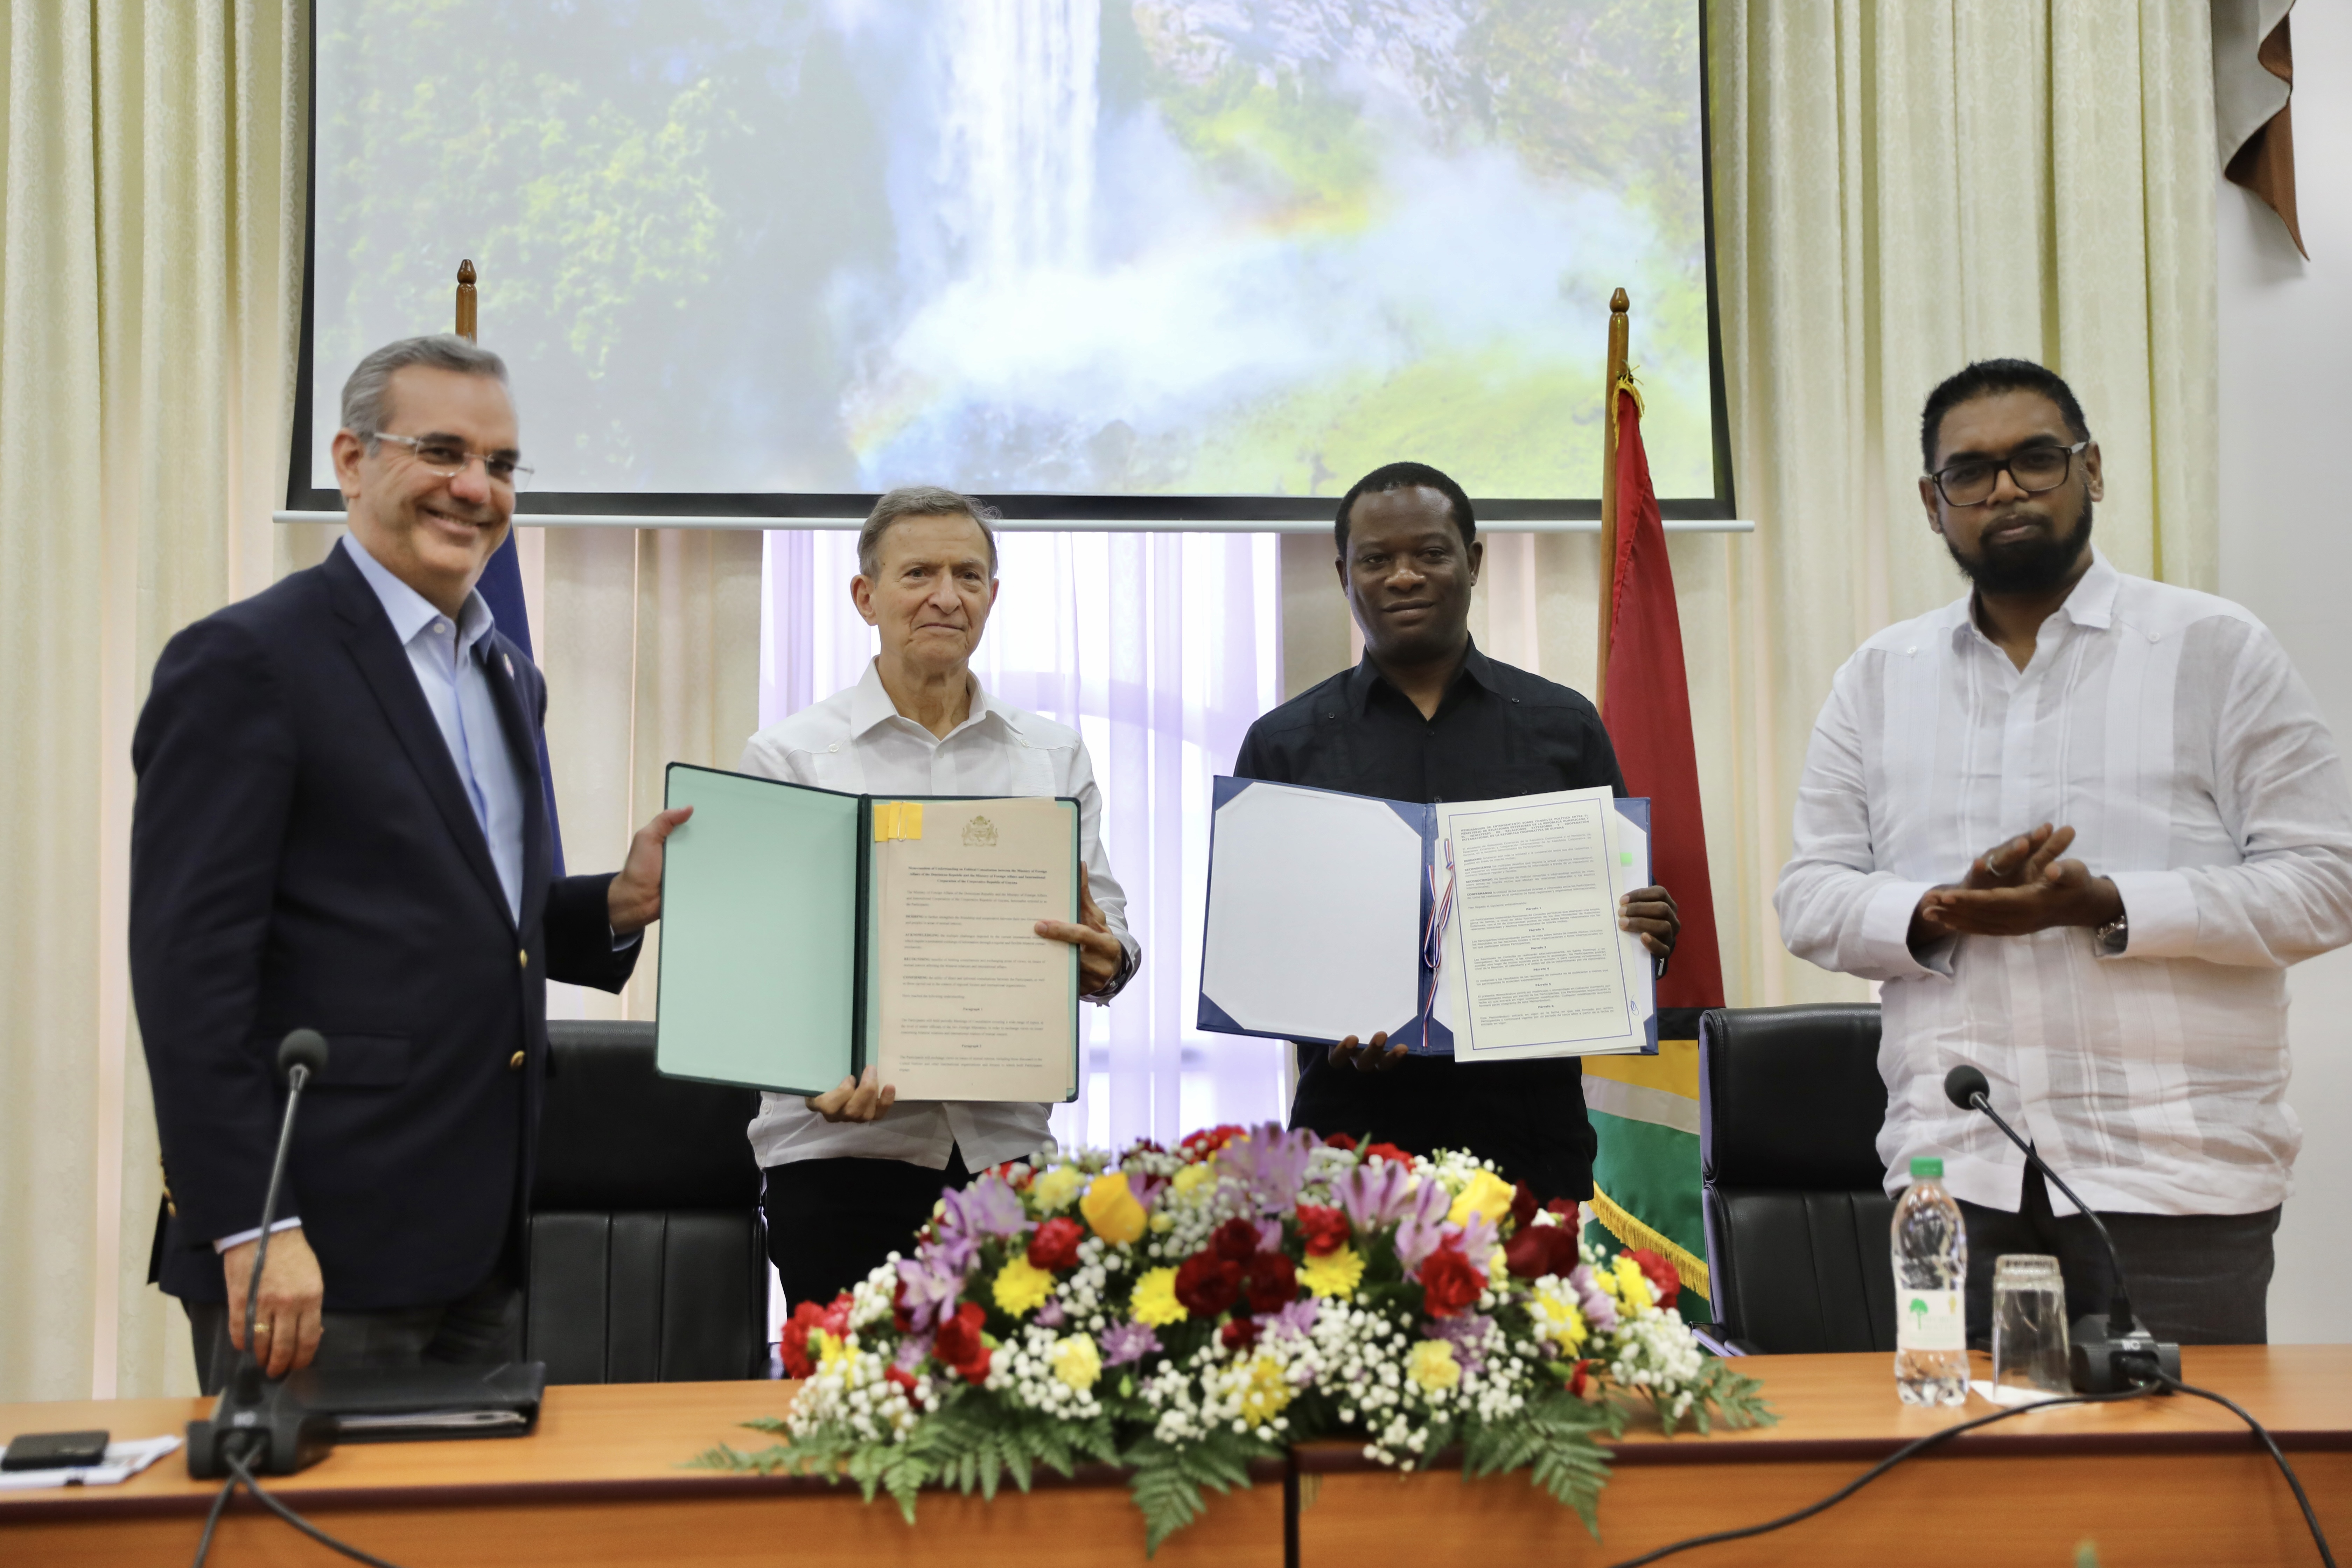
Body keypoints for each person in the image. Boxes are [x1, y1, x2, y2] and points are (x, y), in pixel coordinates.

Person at [131, 335, 690, 1391]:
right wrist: (255, 1222)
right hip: (314, 1251)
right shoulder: (247, 662)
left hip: (483, 1243)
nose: (475, 488)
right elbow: (187, 977)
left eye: (501, 463)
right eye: (442, 451)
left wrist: (613, 905)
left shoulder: (507, 675)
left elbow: (474, 920)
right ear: (351, 461)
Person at [1777, 358, 2352, 1345]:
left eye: (2036, 459)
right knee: (1959, 1443)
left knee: (2186, 1447)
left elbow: (2326, 883)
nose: (2005, 490)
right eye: (1970, 472)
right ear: (1932, 502)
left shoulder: (2215, 649)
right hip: (1952, 1175)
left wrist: (2113, 905)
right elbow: (1809, 896)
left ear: (2093, 469)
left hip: (2176, 1174)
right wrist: (1936, 909)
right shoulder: (1879, 678)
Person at [1230, 461, 1679, 1202]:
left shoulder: (1562, 727)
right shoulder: (1285, 744)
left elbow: (1620, 916)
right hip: (1351, 1142)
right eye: (1377, 559)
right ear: (1345, 575)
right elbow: (1257, 947)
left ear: (1473, 561)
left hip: (1529, 1140)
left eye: (1431, 553)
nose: (1404, 576)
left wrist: (1648, 931)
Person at [741, 485, 1138, 1308]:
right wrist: (808, 1071)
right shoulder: (791, 757)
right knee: (850, 1386)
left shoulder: (1051, 755)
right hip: (838, 1152)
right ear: (866, 596)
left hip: (1005, 1151)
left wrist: (1110, 959)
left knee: (1013, 1385)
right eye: (918, 573)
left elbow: (1110, 929)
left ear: (993, 594)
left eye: (969, 575)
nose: (946, 596)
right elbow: (760, 963)